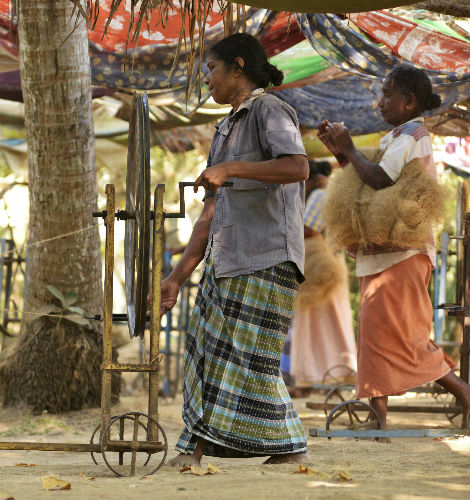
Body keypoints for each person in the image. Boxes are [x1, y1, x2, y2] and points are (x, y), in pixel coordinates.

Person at [157, 33, 310, 466]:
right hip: (228, 258)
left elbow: (297, 166)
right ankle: (212, 446)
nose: (207, 79)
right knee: (208, 352)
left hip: (267, 257)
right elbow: (209, 215)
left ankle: (279, 447)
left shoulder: (270, 109)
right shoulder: (225, 129)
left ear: (238, 67)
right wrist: (176, 277)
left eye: (211, 68)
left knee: (250, 357)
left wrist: (231, 168)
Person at [318, 65, 470, 430]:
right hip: (384, 255)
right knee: (375, 336)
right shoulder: (397, 137)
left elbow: (380, 179)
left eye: (387, 94)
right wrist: (341, 152)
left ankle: (464, 392)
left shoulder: (412, 136)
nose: (380, 102)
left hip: (403, 255)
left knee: (405, 338)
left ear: (409, 101)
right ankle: (378, 416)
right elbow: (369, 182)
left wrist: (350, 148)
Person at [287, 160, 357, 393]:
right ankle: (329, 375)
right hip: (329, 265)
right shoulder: (332, 193)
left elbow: (309, 230)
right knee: (331, 322)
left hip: (321, 267)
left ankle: (317, 377)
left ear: (312, 179)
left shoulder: (319, 195)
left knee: (315, 322)